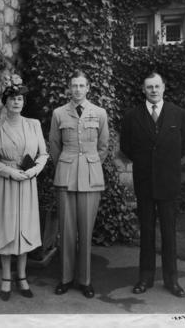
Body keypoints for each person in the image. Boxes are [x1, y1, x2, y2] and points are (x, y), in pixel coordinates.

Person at [120, 72, 185, 298]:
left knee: (169, 233)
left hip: (169, 183)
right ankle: (145, 277)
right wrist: (144, 165)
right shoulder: (132, 116)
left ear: (164, 88)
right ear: (143, 89)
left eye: (157, 86)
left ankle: (172, 280)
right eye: (149, 87)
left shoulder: (178, 114)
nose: (153, 90)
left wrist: (170, 169)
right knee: (147, 232)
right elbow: (126, 147)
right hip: (144, 183)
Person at [0, 74, 48, 301]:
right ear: (5, 101)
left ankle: (22, 276)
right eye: (12, 99)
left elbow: (44, 154)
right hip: (5, 183)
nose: (16, 102)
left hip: (27, 182)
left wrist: (34, 171)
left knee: (24, 229)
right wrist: (10, 171)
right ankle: (5, 279)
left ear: (23, 102)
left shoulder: (33, 125)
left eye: (19, 99)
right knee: (6, 229)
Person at [49, 70, 109, 298]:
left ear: (88, 88)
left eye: (81, 85)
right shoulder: (58, 113)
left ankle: (84, 280)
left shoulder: (100, 113)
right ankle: (65, 278)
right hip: (65, 175)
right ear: (69, 88)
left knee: (85, 230)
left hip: (91, 177)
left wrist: (90, 164)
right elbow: (54, 144)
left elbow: (103, 145)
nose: (77, 89)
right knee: (66, 230)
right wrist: (65, 164)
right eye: (73, 85)